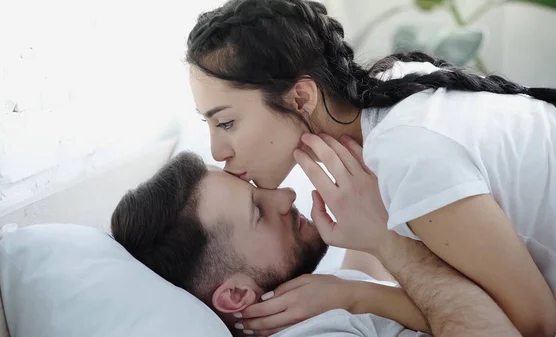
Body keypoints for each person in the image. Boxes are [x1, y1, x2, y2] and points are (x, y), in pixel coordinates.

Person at [186, 0, 556, 336]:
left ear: (300, 98)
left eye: (227, 123)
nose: (218, 152)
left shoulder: (407, 153)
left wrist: (354, 295)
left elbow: (537, 324)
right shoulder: (389, 94)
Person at [111, 151, 520, 337]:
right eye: (258, 211)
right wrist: (359, 293)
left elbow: (367, 270)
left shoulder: (314, 306)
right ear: (236, 294)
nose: (285, 196)